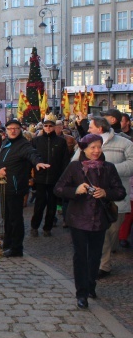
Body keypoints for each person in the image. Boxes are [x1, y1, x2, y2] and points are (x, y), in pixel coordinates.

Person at [54, 134, 126, 309]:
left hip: (99, 219)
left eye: (99, 147)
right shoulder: (74, 167)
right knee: (80, 256)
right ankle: (81, 293)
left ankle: (91, 285)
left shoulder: (108, 168)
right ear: (84, 149)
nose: (96, 151)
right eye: (92, 147)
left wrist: (106, 193)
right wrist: (75, 190)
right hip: (78, 218)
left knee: (95, 256)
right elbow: (59, 189)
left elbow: (120, 191)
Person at [71, 116, 133, 279]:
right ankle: (102, 265)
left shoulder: (124, 143)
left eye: (90, 126)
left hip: (116, 198)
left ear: (100, 128)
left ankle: (104, 256)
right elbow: (74, 163)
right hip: (91, 200)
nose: (88, 129)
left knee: (112, 232)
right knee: (100, 233)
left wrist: (110, 170)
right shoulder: (85, 142)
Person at [0, 119, 50, 258]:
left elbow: (32, 154)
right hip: (4, 186)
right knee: (7, 218)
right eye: (10, 128)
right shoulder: (5, 143)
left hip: (16, 187)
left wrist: (38, 163)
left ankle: (16, 248)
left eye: (15, 128)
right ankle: (7, 244)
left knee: (16, 219)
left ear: (20, 130)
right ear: (6, 130)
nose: (13, 131)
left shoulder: (23, 144)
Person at [29, 115, 70, 237]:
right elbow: (31, 159)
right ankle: (34, 226)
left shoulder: (61, 142)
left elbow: (65, 161)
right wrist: (31, 175)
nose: (48, 128)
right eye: (45, 125)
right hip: (40, 178)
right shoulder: (36, 141)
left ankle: (48, 227)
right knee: (39, 205)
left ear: (54, 127)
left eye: (50, 126)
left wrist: (63, 178)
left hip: (55, 178)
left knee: (52, 206)